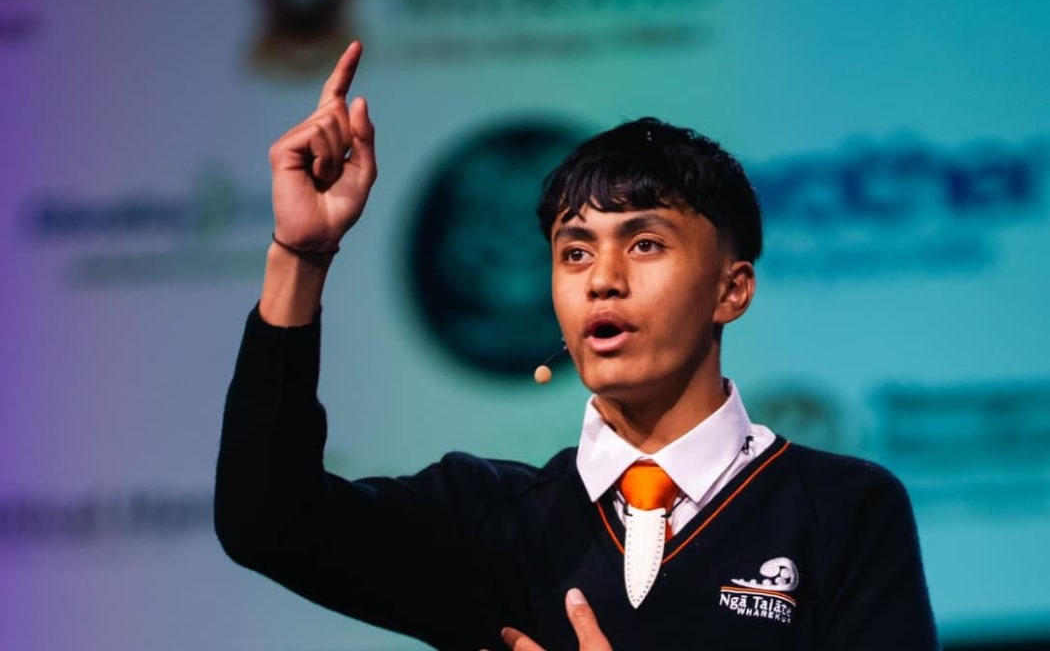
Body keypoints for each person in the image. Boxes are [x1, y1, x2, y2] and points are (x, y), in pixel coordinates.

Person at [214, 41, 939, 651]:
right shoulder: (492, 522)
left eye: (645, 243)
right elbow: (268, 521)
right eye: (575, 253)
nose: (604, 280)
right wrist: (300, 256)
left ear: (732, 289)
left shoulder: (844, 511)